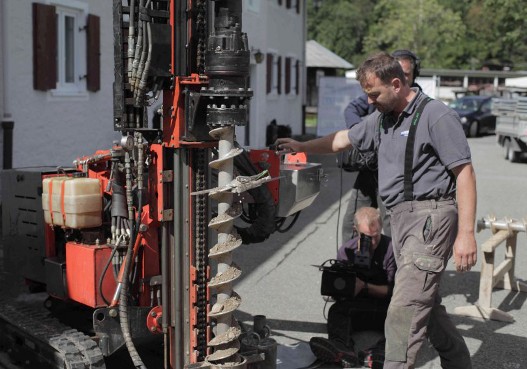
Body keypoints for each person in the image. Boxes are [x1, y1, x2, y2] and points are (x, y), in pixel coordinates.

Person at [277, 52, 477, 369]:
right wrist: (303, 147)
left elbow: (464, 173)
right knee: (426, 301)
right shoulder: (384, 118)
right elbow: (343, 139)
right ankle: (458, 363)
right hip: (401, 218)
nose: (369, 102)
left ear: (396, 83)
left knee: (405, 306)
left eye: (374, 94)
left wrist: (466, 234)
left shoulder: (437, 116)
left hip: (431, 218)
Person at [341, 50, 422, 242]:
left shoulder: (421, 105)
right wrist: (359, 132)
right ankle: (350, 266)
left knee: (390, 225)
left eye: (407, 74)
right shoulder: (377, 95)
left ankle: (392, 268)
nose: (401, 77)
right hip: (369, 169)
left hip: (395, 176)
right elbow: (351, 110)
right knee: (350, 223)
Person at [310, 207, 396, 368]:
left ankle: (379, 353)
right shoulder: (346, 250)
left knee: (404, 317)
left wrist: (364, 286)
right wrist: (342, 287)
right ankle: (342, 350)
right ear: (355, 230)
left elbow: (394, 291)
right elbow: (339, 294)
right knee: (336, 311)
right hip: (356, 306)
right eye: (367, 237)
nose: (372, 241)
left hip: (384, 307)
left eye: (375, 236)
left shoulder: (391, 248)